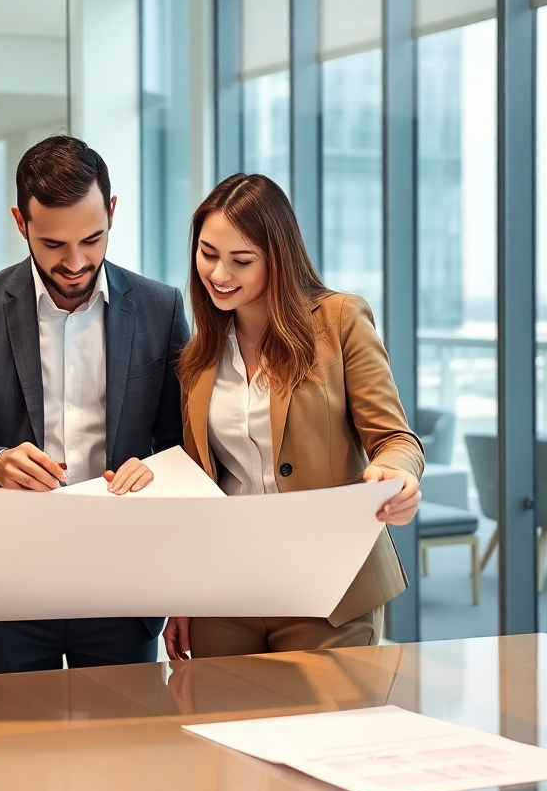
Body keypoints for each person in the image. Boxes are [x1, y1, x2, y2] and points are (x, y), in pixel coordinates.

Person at [0, 135, 191, 676]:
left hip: (123, 586)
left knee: (126, 731)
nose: (75, 262)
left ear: (112, 212)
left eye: (92, 239)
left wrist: (155, 472)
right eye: (53, 244)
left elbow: (183, 445)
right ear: (20, 222)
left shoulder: (160, 307)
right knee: (8, 732)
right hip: (2, 587)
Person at [163, 173, 423, 661]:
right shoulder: (199, 356)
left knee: (325, 713)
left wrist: (396, 475)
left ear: (277, 259)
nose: (219, 273)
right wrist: (183, 591)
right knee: (220, 712)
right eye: (207, 253)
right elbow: (197, 485)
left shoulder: (339, 320)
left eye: (241, 260)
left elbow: (395, 438)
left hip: (328, 584)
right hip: (226, 589)